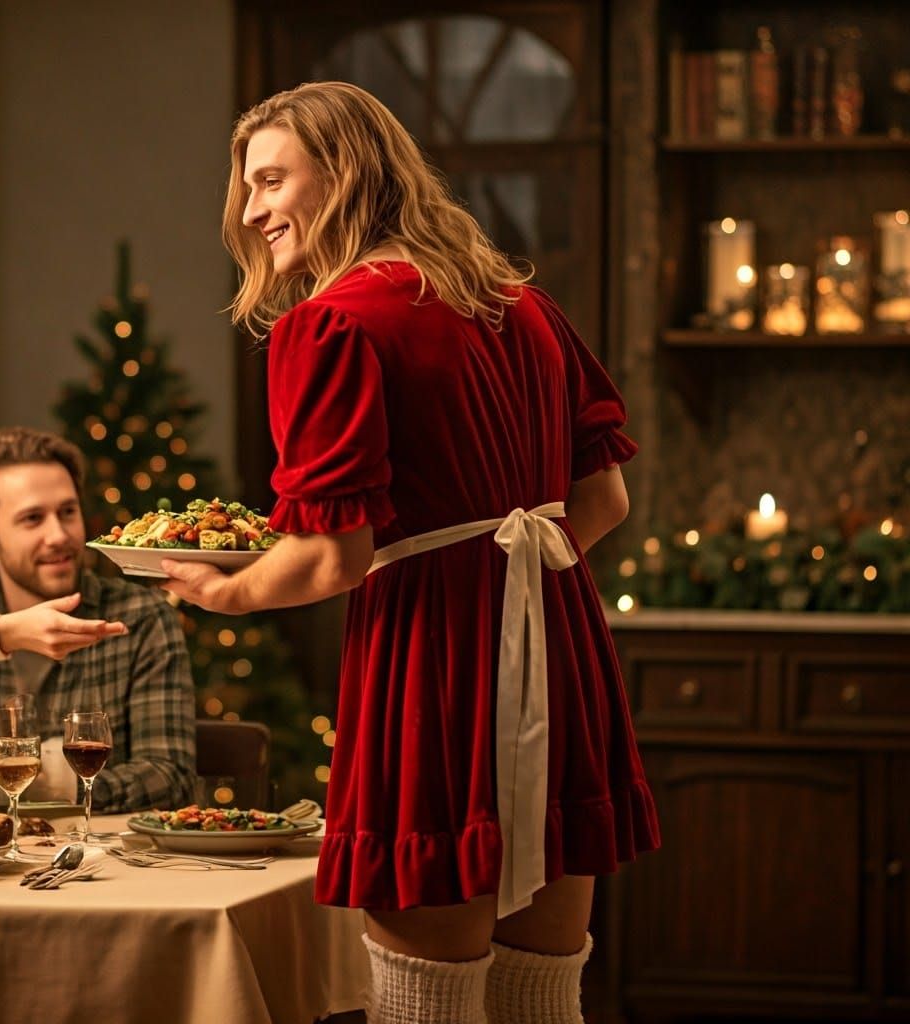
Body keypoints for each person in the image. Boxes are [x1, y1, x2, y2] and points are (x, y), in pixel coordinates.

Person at [161, 82, 660, 1024]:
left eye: (271, 181)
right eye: (246, 191)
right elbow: (604, 500)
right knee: (540, 998)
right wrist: (510, 579)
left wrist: (218, 593)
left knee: (422, 1003)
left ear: (344, 173)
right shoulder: (525, 306)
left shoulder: (334, 320)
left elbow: (327, 559)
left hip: (434, 671)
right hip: (559, 659)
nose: (254, 210)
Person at [0, 427, 196, 813]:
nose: (59, 535)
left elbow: (170, 777)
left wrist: (39, 780)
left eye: (68, 512)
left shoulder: (142, 619)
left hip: (109, 864)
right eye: (33, 518)